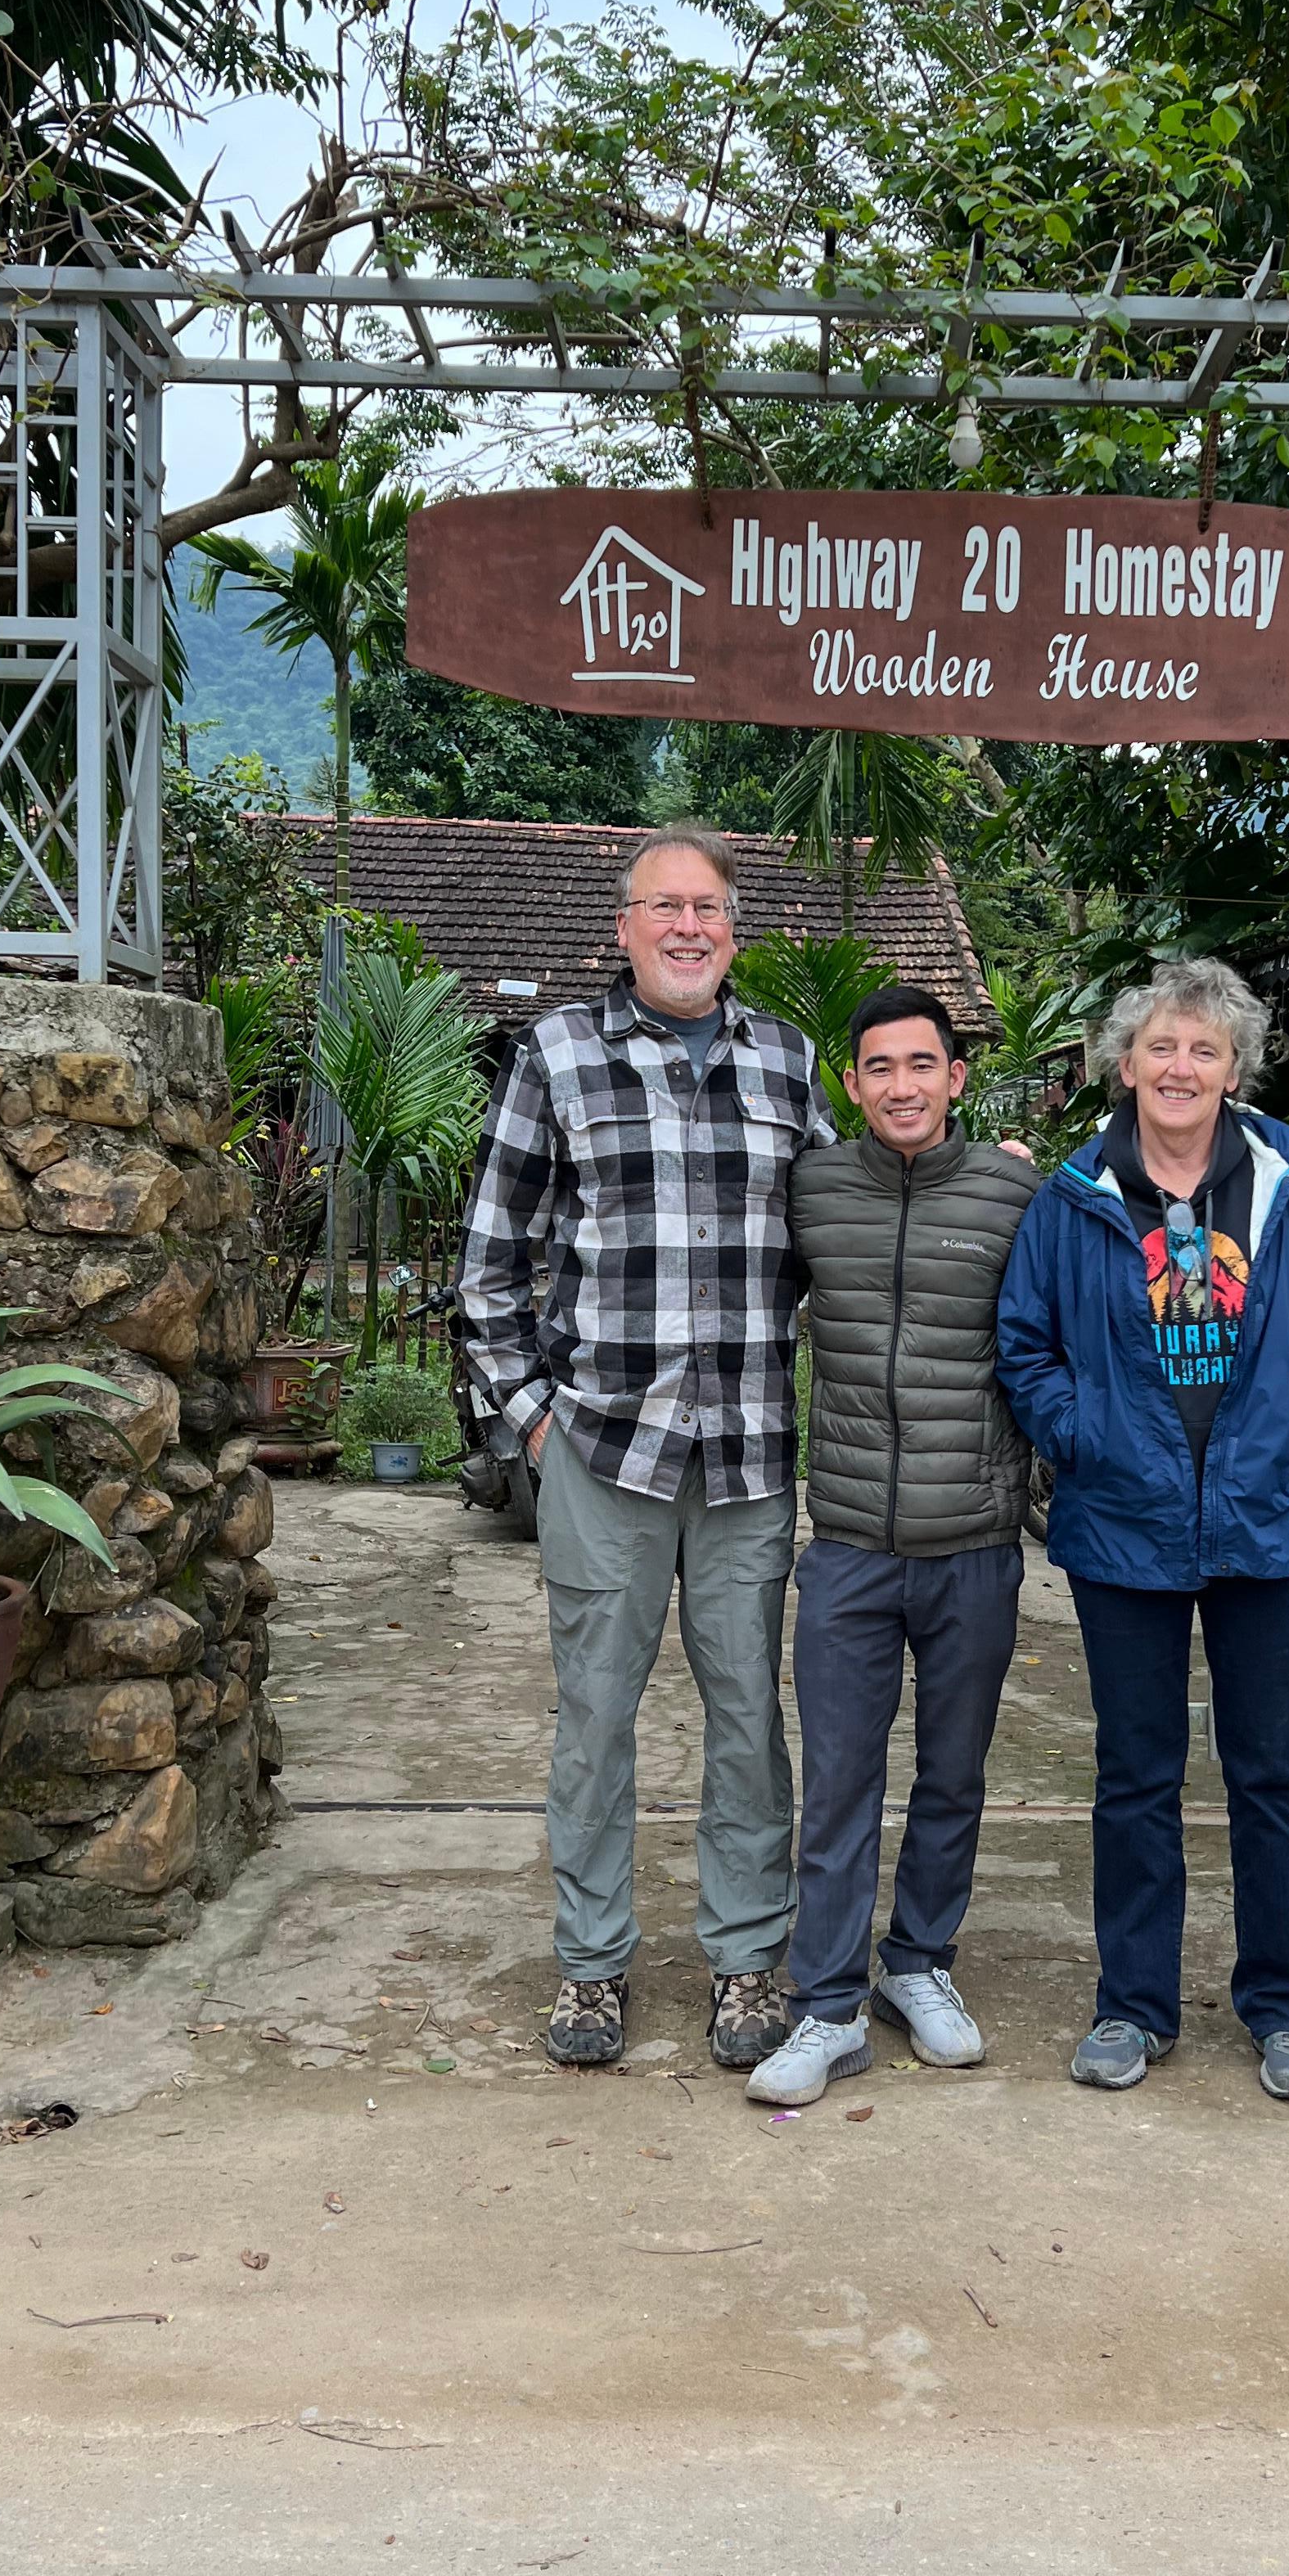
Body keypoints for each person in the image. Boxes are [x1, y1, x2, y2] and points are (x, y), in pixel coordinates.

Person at [457, 826, 836, 2074]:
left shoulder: (786, 1060)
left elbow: (839, 1225)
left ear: (736, 929)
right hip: (602, 1452)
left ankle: (743, 1960)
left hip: (746, 1454)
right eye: (663, 907)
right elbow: (491, 1264)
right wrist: (532, 1417)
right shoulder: (556, 1055)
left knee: (748, 1720)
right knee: (595, 1720)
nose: (687, 927)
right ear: (621, 928)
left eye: (709, 908)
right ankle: (592, 1967)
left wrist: (973, 1187)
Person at [995, 957, 1289, 2103]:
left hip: (1266, 1519)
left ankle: (1282, 2006)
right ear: (1126, 1064)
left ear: (1233, 1069)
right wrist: (1085, 1438)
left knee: (1270, 1775)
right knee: (1135, 1777)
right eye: (1161, 1047)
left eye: (1202, 1050)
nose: (1180, 1067)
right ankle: (1134, 2005)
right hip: (1126, 1524)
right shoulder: (1075, 1198)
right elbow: (1028, 1345)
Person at [746, 984, 1041, 2110]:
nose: (903, 1087)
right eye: (880, 1068)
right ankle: (826, 2006)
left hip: (974, 1541)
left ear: (956, 1076)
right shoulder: (814, 1189)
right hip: (853, 1544)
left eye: (923, 1065)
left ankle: (919, 1965)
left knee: (954, 1775)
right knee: (838, 1784)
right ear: (852, 1083)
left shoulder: (1017, 1193)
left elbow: (1057, 1340)